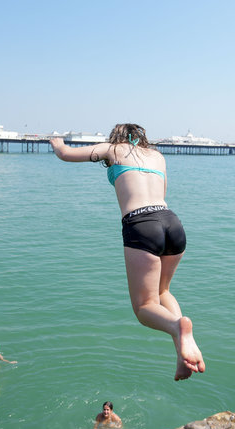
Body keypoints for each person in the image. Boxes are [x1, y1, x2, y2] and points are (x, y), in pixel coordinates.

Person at [50, 124, 205, 381]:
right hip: (172, 222)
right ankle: (181, 351)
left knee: (144, 307)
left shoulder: (113, 149)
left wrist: (56, 143)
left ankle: (179, 327)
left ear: (118, 137)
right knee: (163, 292)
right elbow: (161, 194)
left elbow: (66, 154)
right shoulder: (157, 156)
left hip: (141, 224)